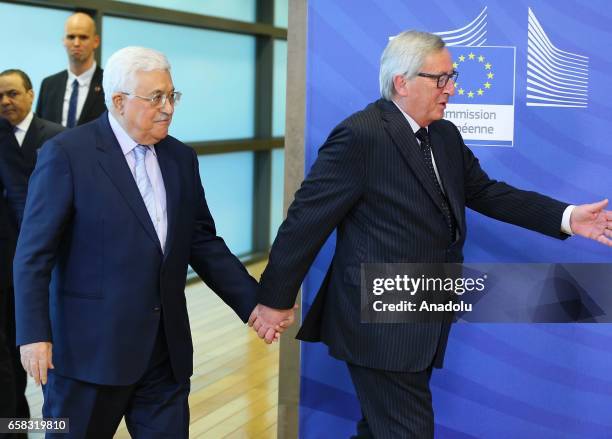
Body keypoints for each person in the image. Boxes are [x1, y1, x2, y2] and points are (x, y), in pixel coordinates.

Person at [249, 30, 612, 438]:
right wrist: (274, 300)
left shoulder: (444, 134)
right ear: (401, 83)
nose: (452, 88)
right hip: (379, 322)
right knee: (407, 431)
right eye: (440, 79)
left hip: (422, 312)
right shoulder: (360, 135)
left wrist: (567, 217)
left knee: (382, 429)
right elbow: (305, 222)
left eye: (451, 76)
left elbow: (486, 192)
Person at [14, 46, 285, 438]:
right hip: (89, 358)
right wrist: (34, 335)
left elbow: (202, 242)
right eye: (155, 97)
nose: (168, 108)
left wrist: (254, 303)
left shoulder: (180, 158)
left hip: (164, 356)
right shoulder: (67, 154)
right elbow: (33, 254)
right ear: (120, 101)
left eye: (171, 95)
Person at [0, 69, 63, 433]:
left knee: (45, 351)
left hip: (46, 263)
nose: (6, 102)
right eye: (0, 96)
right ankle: (16, 426)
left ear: (30, 95)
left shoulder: (57, 138)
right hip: (6, 266)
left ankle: (59, 422)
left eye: (12, 93)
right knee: (9, 354)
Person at [36, 12, 105, 127]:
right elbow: (39, 129)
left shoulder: (109, 85)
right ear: (64, 40)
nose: (76, 43)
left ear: (95, 41)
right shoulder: (48, 85)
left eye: (83, 37)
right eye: (71, 37)